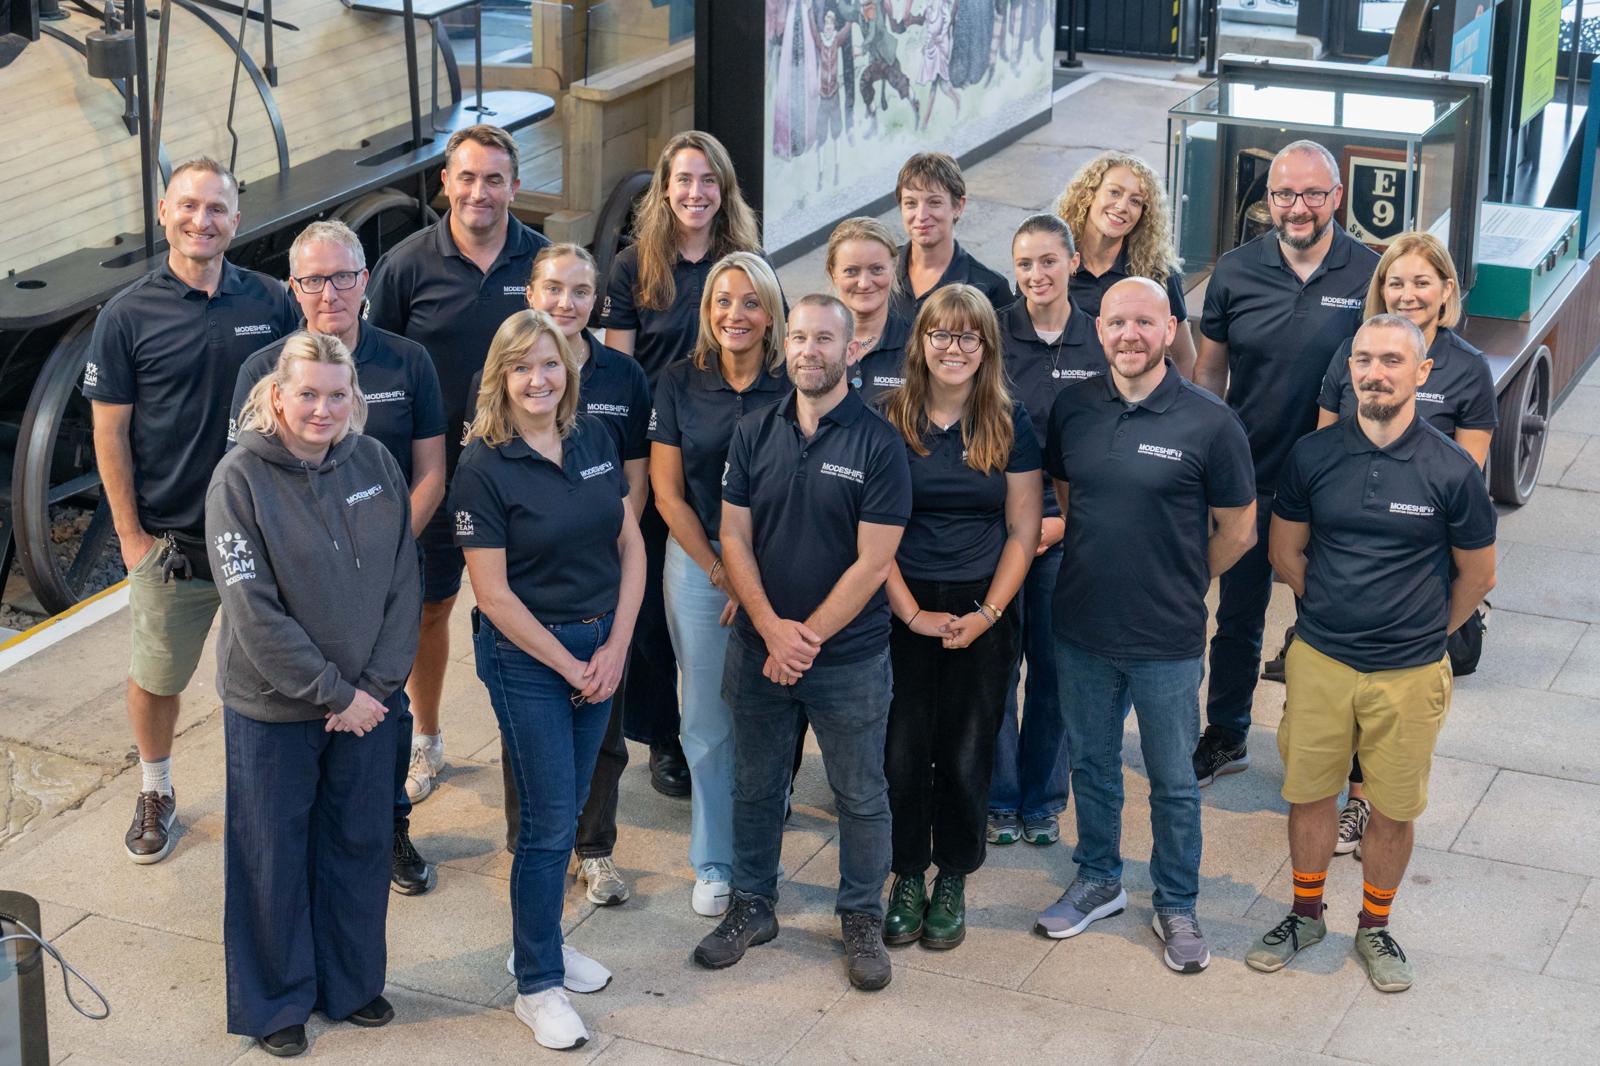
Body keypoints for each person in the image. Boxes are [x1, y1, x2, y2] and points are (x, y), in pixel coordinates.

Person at [1248, 314, 1496, 993]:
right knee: (1309, 794)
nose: (1374, 373)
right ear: (1349, 368)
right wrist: (1332, 609)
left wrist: (1422, 631)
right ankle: (1304, 915)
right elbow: (1284, 552)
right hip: (1323, 660)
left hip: (1411, 673)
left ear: (1422, 373)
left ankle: (1375, 927)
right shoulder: (1314, 456)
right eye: (1363, 360)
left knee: (1392, 808)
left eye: (1391, 360)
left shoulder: (1451, 469)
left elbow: (1478, 575)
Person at [1033, 279, 1256, 975]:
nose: (1129, 335)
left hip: (1165, 637)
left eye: (1145, 323)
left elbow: (1240, 530)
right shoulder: (1073, 409)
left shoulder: (1210, 421)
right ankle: (1099, 878)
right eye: (1117, 322)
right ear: (1100, 332)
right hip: (1081, 626)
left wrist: (1186, 580)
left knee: (1171, 780)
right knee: (1092, 764)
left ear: (1168, 331)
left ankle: (1178, 904)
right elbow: (1071, 498)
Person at [209, 332, 420, 1057]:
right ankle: (276, 1003)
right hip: (276, 709)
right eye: (307, 393)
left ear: (353, 397)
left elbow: (403, 580)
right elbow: (253, 612)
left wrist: (376, 688)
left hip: (368, 706)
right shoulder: (238, 482)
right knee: (272, 854)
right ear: (275, 395)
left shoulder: (375, 464)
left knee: (358, 844)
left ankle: (351, 983)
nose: (322, 408)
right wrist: (334, 693)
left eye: (337, 394)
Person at [84, 156, 300, 866]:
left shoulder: (270, 302)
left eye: (217, 208)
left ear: (236, 221)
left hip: (262, 540)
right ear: (163, 212)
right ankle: (156, 789)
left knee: (277, 675)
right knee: (159, 676)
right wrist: (129, 536)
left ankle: (280, 795)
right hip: (173, 542)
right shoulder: (125, 317)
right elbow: (109, 431)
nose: (201, 220)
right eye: (188, 206)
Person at [692, 294, 911, 992]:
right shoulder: (755, 431)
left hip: (846, 659)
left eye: (824, 339)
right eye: (797, 338)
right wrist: (770, 630)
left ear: (852, 352)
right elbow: (733, 537)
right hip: (759, 650)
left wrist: (805, 638)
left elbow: (874, 562)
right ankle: (753, 905)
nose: (808, 350)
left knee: (860, 791)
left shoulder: (879, 443)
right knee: (756, 785)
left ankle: (860, 916)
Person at [230, 219, 447, 897]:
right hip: (298, 596)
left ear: (366, 280)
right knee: (311, 723)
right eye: (315, 278)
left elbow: (432, 471)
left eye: (345, 275)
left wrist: (379, 557)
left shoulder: (408, 362)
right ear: (294, 288)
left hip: (384, 586)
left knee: (388, 712)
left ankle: (391, 829)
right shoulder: (261, 373)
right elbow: (244, 488)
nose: (332, 291)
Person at [452, 310, 645, 1049]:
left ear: (569, 370)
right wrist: (572, 666)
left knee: (569, 813)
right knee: (546, 825)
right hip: (530, 661)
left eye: (552, 364)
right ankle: (536, 986)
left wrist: (618, 646)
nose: (539, 378)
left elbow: (628, 543)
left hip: (601, 649)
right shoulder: (482, 468)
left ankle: (543, 945)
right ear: (500, 377)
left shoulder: (592, 436)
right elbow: (493, 596)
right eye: (523, 366)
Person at [366, 123, 549, 806]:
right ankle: (428, 738)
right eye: (467, 177)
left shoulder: (541, 264)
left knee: (527, 611)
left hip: (524, 477)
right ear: (445, 182)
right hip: (437, 476)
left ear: (514, 185)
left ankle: (534, 748)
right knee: (431, 608)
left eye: (494, 178)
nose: (480, 191)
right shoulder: (408, 266)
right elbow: (374, 363)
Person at [464, 244, 652, 907]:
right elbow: (492, 580)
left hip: (601, 607)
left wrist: (615, 638)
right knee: (536, 772)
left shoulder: (613, 395)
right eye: (552, 288)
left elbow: (631, 504)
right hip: (532, 636)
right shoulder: (488, 451)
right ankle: (537, 866)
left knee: (599, 751)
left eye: (580, 291)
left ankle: (593, 849)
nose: (541, 378)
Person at [1191, 139, 1380, 788]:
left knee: (1326, 625)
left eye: (1310, 195)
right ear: (1267, 200)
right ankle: (1226, 734)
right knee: (1237, 618)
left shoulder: (1370, 275)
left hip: (1336, 488)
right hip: (1248, 479)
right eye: (1282, 195)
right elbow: (1209, 376)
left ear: (1336, 198)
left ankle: (1324, 752)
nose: (1296, 208)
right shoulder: (1235, 271)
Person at [1314, 231, 1496, 857]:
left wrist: (1437, 620)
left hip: (1421, 554)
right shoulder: (1352, 352)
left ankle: (1366, 805)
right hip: (1349, 546)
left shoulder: (1468, 367)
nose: (1408, 293)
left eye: (1423, 282)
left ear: (1447, 292)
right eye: (1396, 281)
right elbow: (1325, 451)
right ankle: (1349, 796)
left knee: (1398, 700)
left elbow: (1466, 482)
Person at [599, 130, 767, 796]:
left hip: (727, 454)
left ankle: (733, 724)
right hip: (654, 455)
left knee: (730, 598)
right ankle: (665, 736)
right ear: (664, 189)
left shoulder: (747, 264)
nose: (696, 193)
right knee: (649, 617)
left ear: (723, 192)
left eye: (708, 181)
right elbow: (615, 372)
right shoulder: (633, 269)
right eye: (684, 180)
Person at [879, 285, 1041, 950]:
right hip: (901, 604)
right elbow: (872, 529)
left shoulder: (1010, 420)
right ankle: (907, 872)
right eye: (940, 334)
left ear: (986, 347)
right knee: (903, 749)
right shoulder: (891, 416)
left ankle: (954, 874)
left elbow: (1024, 529)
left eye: (968, 336)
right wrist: (911, 612)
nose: (953, 347)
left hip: (985, 606)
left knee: (969, 748)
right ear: (920, 343)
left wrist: (987, 613)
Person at [650, 252, 789, 917]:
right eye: (723, 302)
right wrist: (718, 569)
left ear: (771, 314)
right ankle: (714, 859)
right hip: (700, 567)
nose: (736, 314)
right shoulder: (680, 381)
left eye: (750, 302)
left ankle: (762, 827)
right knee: (705, 717)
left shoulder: (794, 385)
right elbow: (667, 494)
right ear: (707, 312)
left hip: (785, 567)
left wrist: (756, 580)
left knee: (771, 712)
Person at [988, 213, 1104, 847]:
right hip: (1000, 535)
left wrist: (1058, 524)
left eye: (1049, 261)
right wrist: (1021, 529)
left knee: (1055, 674)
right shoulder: (994, 334)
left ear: (1072, 265)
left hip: (1069, 536)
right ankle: (1000, 798)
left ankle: (1044, 800)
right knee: (998, 667)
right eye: (1025, 264)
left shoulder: (1098, 339)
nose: (1037, 274)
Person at [1056, 151, 1196, 378]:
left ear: (1143, 214)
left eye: (1135, 201)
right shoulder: (1054, 265)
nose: (1122, 206)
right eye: (1114, 192)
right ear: (1089, 195)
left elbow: (1184, 358)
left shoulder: (1158, 274)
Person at [894, 152, 1012, 319]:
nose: (921, 215)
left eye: (934, 202)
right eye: (910, 203)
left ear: (958, 206)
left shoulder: (990, 288)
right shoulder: (878, 270)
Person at [826, 216, 913, 405]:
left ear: (893, 267)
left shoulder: (918, 345)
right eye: (851, 271)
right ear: (832, 273)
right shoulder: (808, 344)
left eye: (876, 269)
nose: (864, 283)